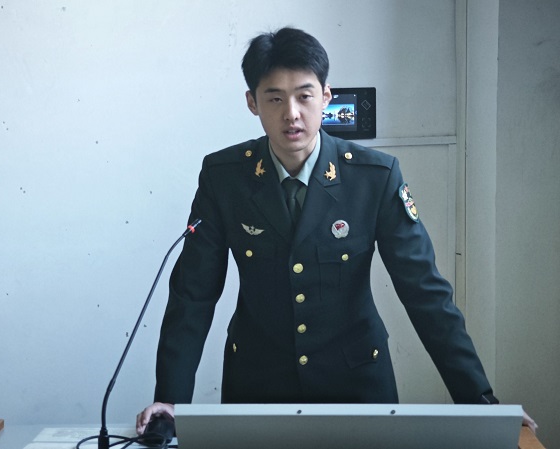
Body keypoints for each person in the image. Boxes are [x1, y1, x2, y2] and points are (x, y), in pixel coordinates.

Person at [137, 27, 536, 434]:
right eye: (274, 98)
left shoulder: (373, 177)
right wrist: (170, 399)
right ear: (252, 102)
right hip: (257, 384)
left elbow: (425, 293)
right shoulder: (225, 178)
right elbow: (193, 294)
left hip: (357, 385)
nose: (291, 113)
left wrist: (480, 401)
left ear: (326, 97)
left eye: (304, 96)